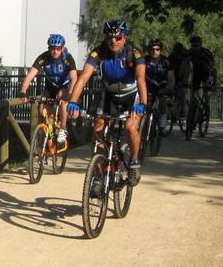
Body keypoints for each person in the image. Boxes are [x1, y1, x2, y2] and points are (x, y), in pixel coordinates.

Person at [66, 18, 147, 184]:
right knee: (98, 129)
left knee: (130, 127)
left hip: (131, 95)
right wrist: (73, 102)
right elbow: (83, 78)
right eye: (110, 37)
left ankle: (134, 161)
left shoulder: (134, 53)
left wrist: (143, 104)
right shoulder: (98, 53)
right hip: (109, 95)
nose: (113, 41)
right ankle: (99, 173)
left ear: (125, 38)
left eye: (118, 37)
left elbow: (140, 78)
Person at [18, 34, 78, 145]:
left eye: (58, 49)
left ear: (62, 48)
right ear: (49, 48)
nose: (55, 51)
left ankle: (63, 128)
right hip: (50, 86)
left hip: (65, 85)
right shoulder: (44, 57)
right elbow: (30, 75)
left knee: (62, 99)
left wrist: (70, 93)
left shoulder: (67, 58)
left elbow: (74, 78)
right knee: (42, 111)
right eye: (52, 48)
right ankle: (49, 130)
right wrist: (23, 92)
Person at [143, 38, 175, 132]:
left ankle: (163, 118)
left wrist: (170, 88)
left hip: (162, 85)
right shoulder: (144, 60)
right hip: (148, 86)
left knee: (162, 98)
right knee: (147, 105)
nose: (154, 51)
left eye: (157, 49)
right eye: (152, 49)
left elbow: (171, 77)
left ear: (161, 50)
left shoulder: (166, 61)